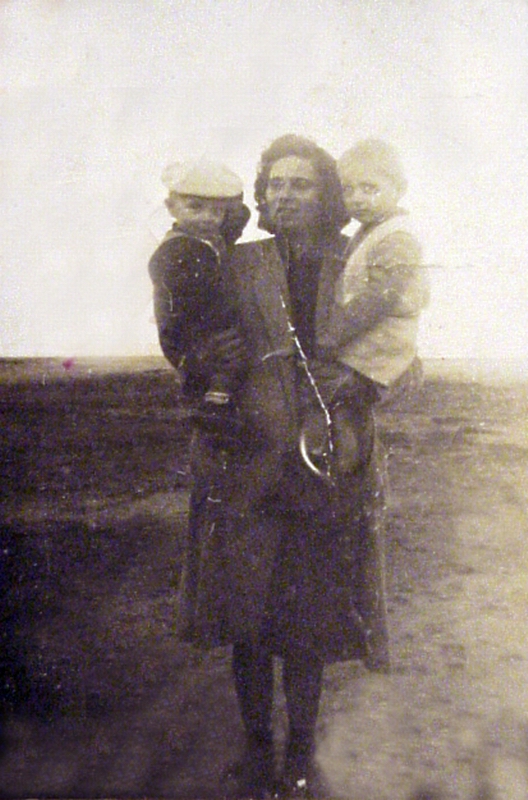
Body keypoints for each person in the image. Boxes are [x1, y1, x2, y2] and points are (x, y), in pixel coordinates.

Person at [149, 135, 391, 799]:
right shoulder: (236, 261)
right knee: (245, 620)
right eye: (275, 184)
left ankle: (302, 752)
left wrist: (361, 385)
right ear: (260, 194)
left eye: (302, 184)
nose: (284, 196)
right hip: (243, 463)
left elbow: (405, 354)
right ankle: (259, 750)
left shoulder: (359, 259)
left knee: (306, 622)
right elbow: (185, 337)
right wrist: (199, 365)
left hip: (326, 465)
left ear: (329, 195)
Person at [301, 139, 429, 476]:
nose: (357, 198)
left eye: (370, 188)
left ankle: (344, 468)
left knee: (339, 398)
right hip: (365, 342)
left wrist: (332, 336)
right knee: (336, 401)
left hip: (379, 347)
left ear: (398, 189)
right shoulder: (371, 231)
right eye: (350, 190)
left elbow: (378, 298)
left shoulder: (397, 238)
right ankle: (338, 462)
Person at [148, 159, 251, 439]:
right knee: (229, 360)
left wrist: (233, 202)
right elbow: (190, 299)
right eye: (195, 207)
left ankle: (216, 404)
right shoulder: (179, 249)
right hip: (192, 329)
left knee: (227, 359)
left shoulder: (205, 238)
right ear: (171, 208)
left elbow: (238, 218)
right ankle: (215, 407)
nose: (207, 217)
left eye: (217, 212)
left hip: (202, 324)